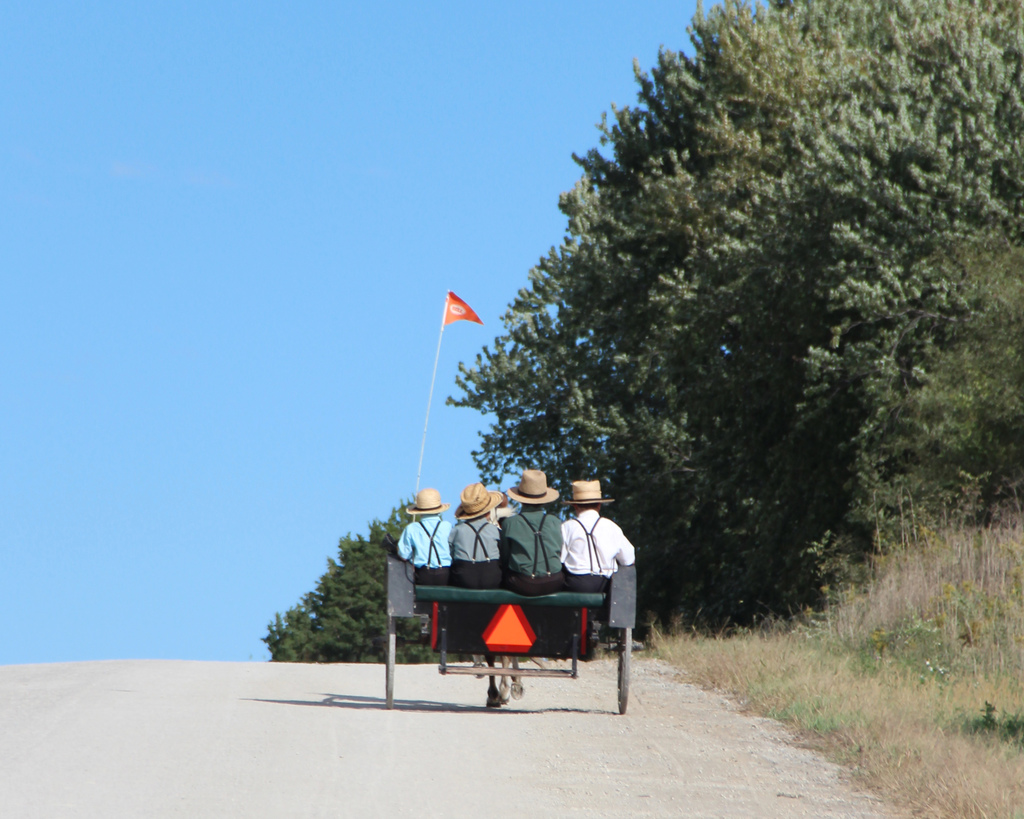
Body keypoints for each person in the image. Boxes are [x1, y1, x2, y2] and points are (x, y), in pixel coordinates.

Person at [560, 479, 635, 593]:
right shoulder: (612, 527)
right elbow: (628, 559)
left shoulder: (567, 527)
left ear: (575, 506)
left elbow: (560, 558)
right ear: (599, 505)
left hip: (576, 585)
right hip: (606, 585)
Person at [500, 469, 564, 595]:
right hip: (554, 582)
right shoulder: (555, 522)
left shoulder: (509, 523)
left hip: (523, 583)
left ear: (520, 499)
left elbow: (505, 558)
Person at [448, 483, 504, 589]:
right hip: (492, 579)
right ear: (488, 511)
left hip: (463, 580)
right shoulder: (496, 531)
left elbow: (450, 556)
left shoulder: (456, 531)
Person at [398, 488, 453, 585]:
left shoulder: (412, 528)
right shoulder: (447, 526)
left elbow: (404, 555)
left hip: (423, 575)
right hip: (446, 575)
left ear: (419, 511)